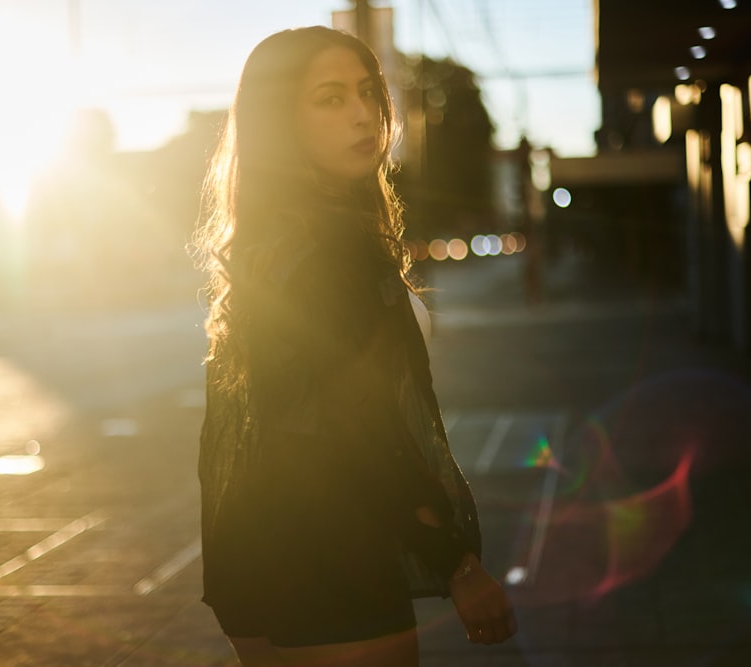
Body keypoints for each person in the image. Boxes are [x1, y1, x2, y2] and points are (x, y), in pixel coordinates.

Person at [192, 25, 517, 667]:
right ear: (280, 120)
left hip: (259, 555)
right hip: (336, 558)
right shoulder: (326, 250)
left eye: (368, 92)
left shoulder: (273, 246)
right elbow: (359, 430)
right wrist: (456, 564)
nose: (364, 114)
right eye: (331, 98)